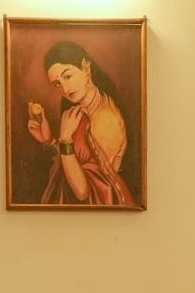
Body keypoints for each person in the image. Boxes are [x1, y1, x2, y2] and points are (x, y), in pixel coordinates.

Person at [26, 41, 137, 206]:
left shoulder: (106, 119)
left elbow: (82, 191)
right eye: (57, 84)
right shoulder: (80, 110)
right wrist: (49, 141)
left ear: (85, 67)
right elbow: (77, 161)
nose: (64, 88)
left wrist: (64, 139)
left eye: (67, 76)